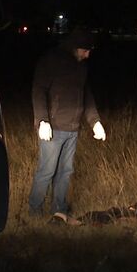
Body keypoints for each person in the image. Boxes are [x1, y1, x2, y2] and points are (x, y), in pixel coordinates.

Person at [29, 29, 106, 220]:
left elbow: (86, 95)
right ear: (75, 47)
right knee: (46, 171)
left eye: (89, 51)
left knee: (65, 171)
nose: (87, 55)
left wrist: (95, 122)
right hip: (53, 128)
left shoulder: (81, 67)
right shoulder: (51, 61)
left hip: (73, 128)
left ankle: (59, 210)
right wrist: (42, 121)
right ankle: (34, 212)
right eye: (85, 50)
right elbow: (38, 90)